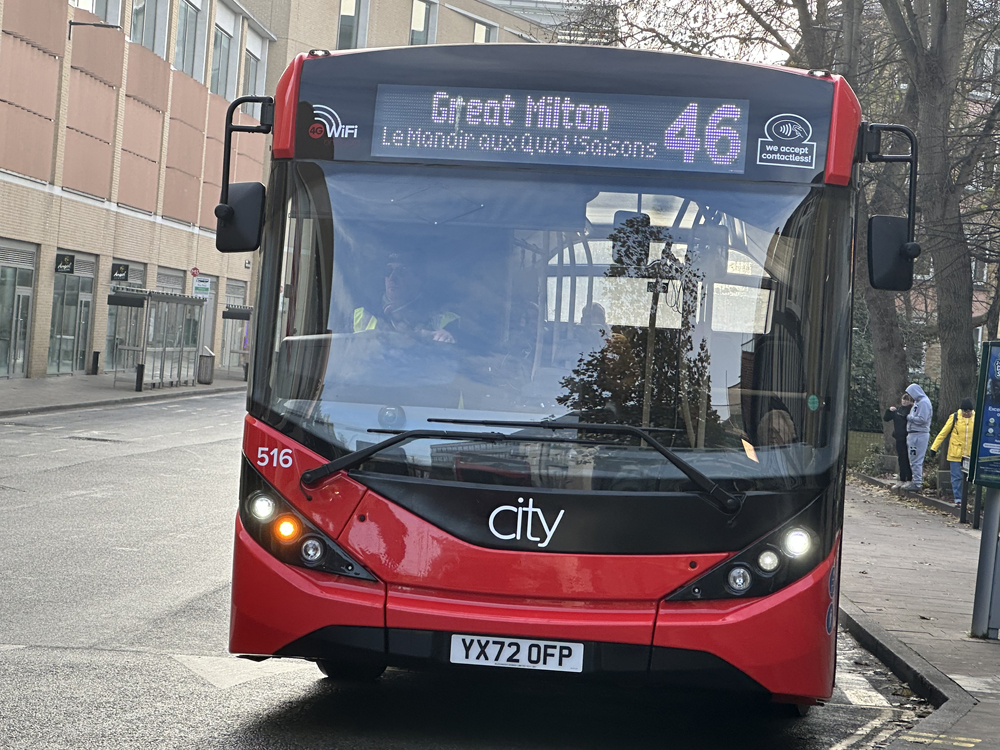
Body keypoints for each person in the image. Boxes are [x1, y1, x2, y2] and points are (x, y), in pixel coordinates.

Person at [353, 253, 459, 343]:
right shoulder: (360, 315)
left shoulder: (445, 320)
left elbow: (458, 355)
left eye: (402, 271)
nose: (392, 278)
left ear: (419, 279)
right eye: (388, 271)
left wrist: (446, 339)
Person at [930, 397, 975, 505]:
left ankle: (967, 498)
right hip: (955, 453)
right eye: (964, 411)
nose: (966, 413)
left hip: (970, 454)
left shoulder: (977, 418)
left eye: (968, 411)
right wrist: (934, 447)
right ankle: (958, 500)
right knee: (956, 477)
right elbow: (943, 433)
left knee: (969, 478)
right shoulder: (955, 417)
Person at [902, 383, 933, 491]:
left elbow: (922, 419)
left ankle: (917, 483)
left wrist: (908, 418)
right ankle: (916, 481)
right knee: (913, 459)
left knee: (916, 460)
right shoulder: (918, 402)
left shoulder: (923, 403)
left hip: (919, 434)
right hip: (914, 434)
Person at [883, 392, 914, 488]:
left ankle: (909, 478)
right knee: (901, 458)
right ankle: (902, 478)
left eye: (907, 399)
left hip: (907, 437)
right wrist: (889, 410)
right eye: (904, 399)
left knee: (907, 458)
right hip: (899, 437)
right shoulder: (898, 410)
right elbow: (886, 418)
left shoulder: (911, 411)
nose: (905, 401)